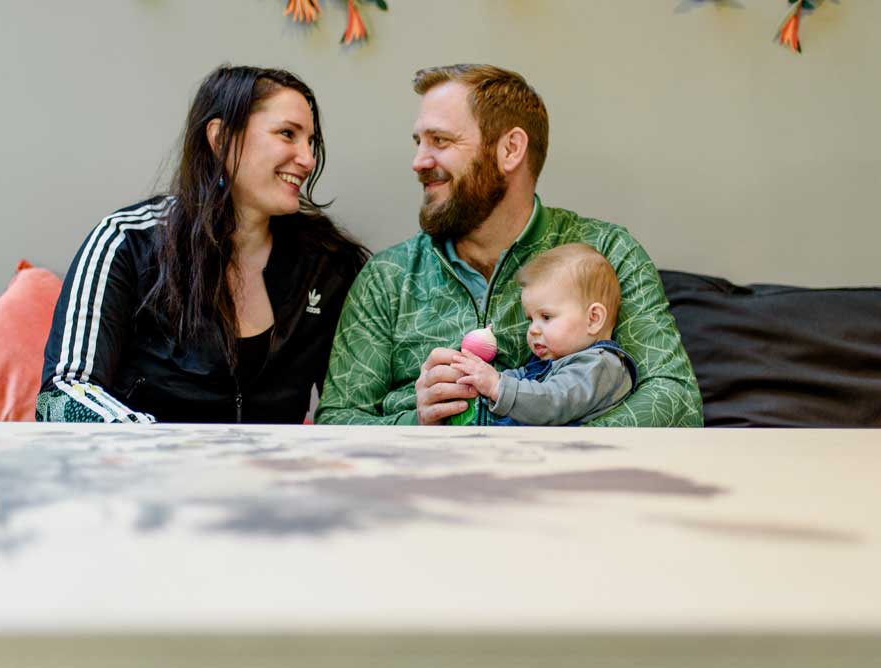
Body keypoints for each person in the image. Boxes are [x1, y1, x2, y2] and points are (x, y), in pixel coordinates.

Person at [315, 63, 702, 427]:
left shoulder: (608, 252)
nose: (419, 161)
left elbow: (677, 401)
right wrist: (416, 423)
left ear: (510, 149)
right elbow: (337, 420)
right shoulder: (388, 277)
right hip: (426, 472)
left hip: (569, 476)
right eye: (419, 142)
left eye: (440, 140)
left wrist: (551, 448)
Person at [37, 65, 368, 423]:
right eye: (287, 134)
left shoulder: (328, 264)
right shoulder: (126, 241)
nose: (308, 159)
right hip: (147, 458)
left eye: (311, 142)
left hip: (279, 462)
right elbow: (61, 395)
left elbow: (353, 408)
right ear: (222, 139)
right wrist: (150, 441)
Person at [450, 243, 637, 426]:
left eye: (546, 317)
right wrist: (483, 377)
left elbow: (553, 401)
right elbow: (521, 379)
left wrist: (496, 386)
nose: (533, 329)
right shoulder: (552, 362)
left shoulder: (600, 365)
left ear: (593, 319)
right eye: (530, 319)